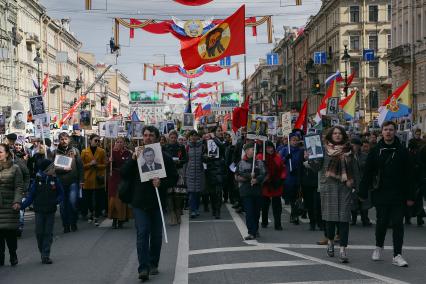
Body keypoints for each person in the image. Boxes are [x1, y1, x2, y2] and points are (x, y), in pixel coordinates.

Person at [120, 125, 177, 281]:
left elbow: (174, 178)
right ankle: (143, 268)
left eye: (151, 135)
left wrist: (162, 182)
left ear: (157, 138)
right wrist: (132, 160)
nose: (148, 138)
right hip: (139, 202)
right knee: (143, 233)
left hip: (157, 202)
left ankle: (153, 264)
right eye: (145, 135)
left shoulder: (165, 157)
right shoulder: (136, 155)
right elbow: (123, 174)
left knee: (156, 236)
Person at [359, 121, 415, 267]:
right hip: (381, 192)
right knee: (382, 222)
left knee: (398, 223)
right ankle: (378, 246)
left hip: (398, 194)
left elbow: (410, 175)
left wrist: (410, 196)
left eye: (391, 129)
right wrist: (362, 191)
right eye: (386, 130)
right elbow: (368, 173)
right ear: (381, 132)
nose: (388, 132)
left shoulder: (403, 151)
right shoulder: (375, 150)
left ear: (395, 131)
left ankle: (397, 254)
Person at [311, 126, 355, 263]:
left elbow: (355, 168)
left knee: (344, 219)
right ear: (331, 135)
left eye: (339, 133)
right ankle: (330, 241)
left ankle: (343, 249)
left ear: (343, 135)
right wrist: (311, 158)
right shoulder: (323, 149)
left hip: (344, 187)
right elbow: (317, 167)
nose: (337, 135)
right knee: (330, 219)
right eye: (335, 133)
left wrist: (353, 183)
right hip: (328, 186)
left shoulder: (349, 150)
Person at [21, 159, 63, 264]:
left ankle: (46, 255)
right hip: (39, 210)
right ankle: (42, 250)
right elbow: (31, 196)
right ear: (46, 169)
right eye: (51, 167)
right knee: (39, 233)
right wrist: (21, 206)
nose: (53, 169)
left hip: (50, 211)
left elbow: (61, 194)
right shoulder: (37, 181)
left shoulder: (55, 180)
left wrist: (56, 201)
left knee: (48, 233)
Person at [53, 132, 83, 233]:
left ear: (69, 140)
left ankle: (73, 222)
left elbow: (80, 166)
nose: (64, 141)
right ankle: (65, 225)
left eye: (66, 139)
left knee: (72, 203)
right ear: (59, 140)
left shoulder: (75, 151)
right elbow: (52, 169)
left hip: (73, 182)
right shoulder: (55, 152)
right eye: (62, 139)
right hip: (60, 182)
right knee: (62, 206)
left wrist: (81, 180)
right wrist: (63, 170)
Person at [236, 143, 266, 240]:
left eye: (255, 149)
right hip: (246, 191)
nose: (254, 151)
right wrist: (249, 177)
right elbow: (237, 176)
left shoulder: (259, 162)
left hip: (257, 191)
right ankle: (251, 232)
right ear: (246, 151)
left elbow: (264, 174)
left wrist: (257, 179)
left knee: (256, 212)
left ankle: (255, 229)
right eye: (252, 149)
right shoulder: (241, 163)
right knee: (249, 212)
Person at [0, 143, 24, 266]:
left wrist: (17, 201)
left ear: (7, 154)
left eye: (0, 152)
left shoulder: (15, 168)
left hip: (9, 205)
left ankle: (13, 254)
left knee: (9, 234)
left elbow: (19, 186)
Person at [259, 141, 286, 230]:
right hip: (265, 184)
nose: (270, 149)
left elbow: (283, 169)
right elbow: (257, 170)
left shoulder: (277, 157)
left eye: (271, 147)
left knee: (277, 206)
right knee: (264, 205)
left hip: (276, 183)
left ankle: (278, 224)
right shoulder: (260, 157)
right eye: (267, 148)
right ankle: (264, 221)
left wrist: (281, 178)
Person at [81, 134, 107, 226]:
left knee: (98, 198)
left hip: (98, 178)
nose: (97, 142)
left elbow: (105, 164)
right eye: (95, 140)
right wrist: (90, 164)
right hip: (88, 178)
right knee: (87, 199)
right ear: (90, 141)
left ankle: (96, 214)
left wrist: (97, 165)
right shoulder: (84, 151)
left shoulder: (102, 151)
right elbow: (81, 166)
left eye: (98, 141)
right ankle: (91, 212)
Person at [164, 130, 188, 225]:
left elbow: (186, 159)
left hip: (179, 172)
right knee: (169, 194)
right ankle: (172, 215)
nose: (173, 139)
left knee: (179, 194)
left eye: (175, 137)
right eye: (171, 137)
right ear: (169, 138)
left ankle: (178, 213)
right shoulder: (165, 147)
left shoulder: (181, 147)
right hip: (168, 173)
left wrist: (180, 162)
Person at [108, 137, 132, 229]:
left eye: (121, 142)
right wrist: (110, 161)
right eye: (117, 142)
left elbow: (129, 164)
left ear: (124, 143)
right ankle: (114, 218)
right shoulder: (112, 152)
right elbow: (107, 165)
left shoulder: (128, 153)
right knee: (113, 198)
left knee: (121, 198)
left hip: (123, 177)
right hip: (114, 177)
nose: (119, 143)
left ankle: (121, 219)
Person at [279, 132, 304, 225]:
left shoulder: (301, 151)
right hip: (288, 176)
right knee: (289, 196)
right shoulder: (285, 150)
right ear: (289, 141)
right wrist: (285, 158)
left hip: (297, 176)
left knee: (296, 197)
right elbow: (279, 162)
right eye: (293, 140)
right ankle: (294, 214)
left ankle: (294, 215)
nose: (295, 142)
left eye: (296, 140)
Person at [203, 126, 227, 219]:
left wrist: (214, 137)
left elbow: (222, 146)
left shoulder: (223, 141)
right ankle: (213, 209)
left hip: (219, 170)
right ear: (214, 131)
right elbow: (203, 155)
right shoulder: (207, 142)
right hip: (210, 169)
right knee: (212, 192)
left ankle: (218, 211)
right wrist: (207, 157)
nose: (220, 132)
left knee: (218, 192)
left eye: (221, 130)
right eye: (218, 130)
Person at [350, 137, 372, 226]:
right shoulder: (348, 156)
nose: (353, 147)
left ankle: (365, 219)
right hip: (352, 182)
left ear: (359, 146)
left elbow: (369, 169)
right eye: (352, 145)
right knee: (353, 202)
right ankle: (353, 219)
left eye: (355, 145)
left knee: (364, 202)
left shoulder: (365, 156)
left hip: (362, 181)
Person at [186, 130, 205, 219]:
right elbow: (185, 160)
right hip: (190, 172)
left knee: (198, 193)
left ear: (197, 137)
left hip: (199, 172)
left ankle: (196, 208)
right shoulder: (186, 147)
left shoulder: (202, 146)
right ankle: (193, 210)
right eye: (191, 135)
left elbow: (204, 158)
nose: (193, 137)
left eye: (195, 135)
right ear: (189, 137)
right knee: (191, 193)